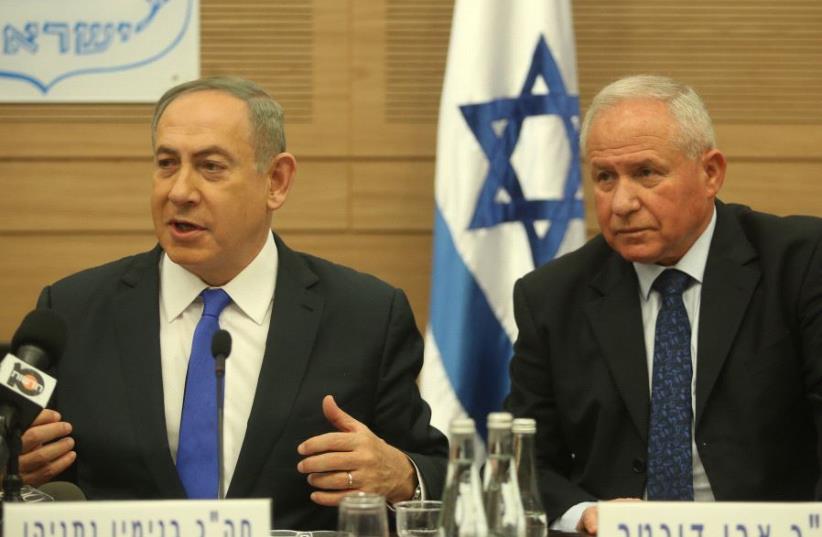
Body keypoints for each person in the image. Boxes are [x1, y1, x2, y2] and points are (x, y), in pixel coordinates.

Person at [15, 76, 448, 529]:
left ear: (276, 182)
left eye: (211, 167)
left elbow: (433, 470)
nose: (179, 191)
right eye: (166, 164)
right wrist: (11, 466)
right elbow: (11, 432)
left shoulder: (367, 316)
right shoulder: (68, 311)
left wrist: (400, 476)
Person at [505, 75, 822, 534]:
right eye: (605, 178)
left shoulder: (800, 264)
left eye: (646, 173)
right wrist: (585, 513)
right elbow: (525, 458)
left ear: (710, 173)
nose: (621, 203)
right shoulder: (552, 296)